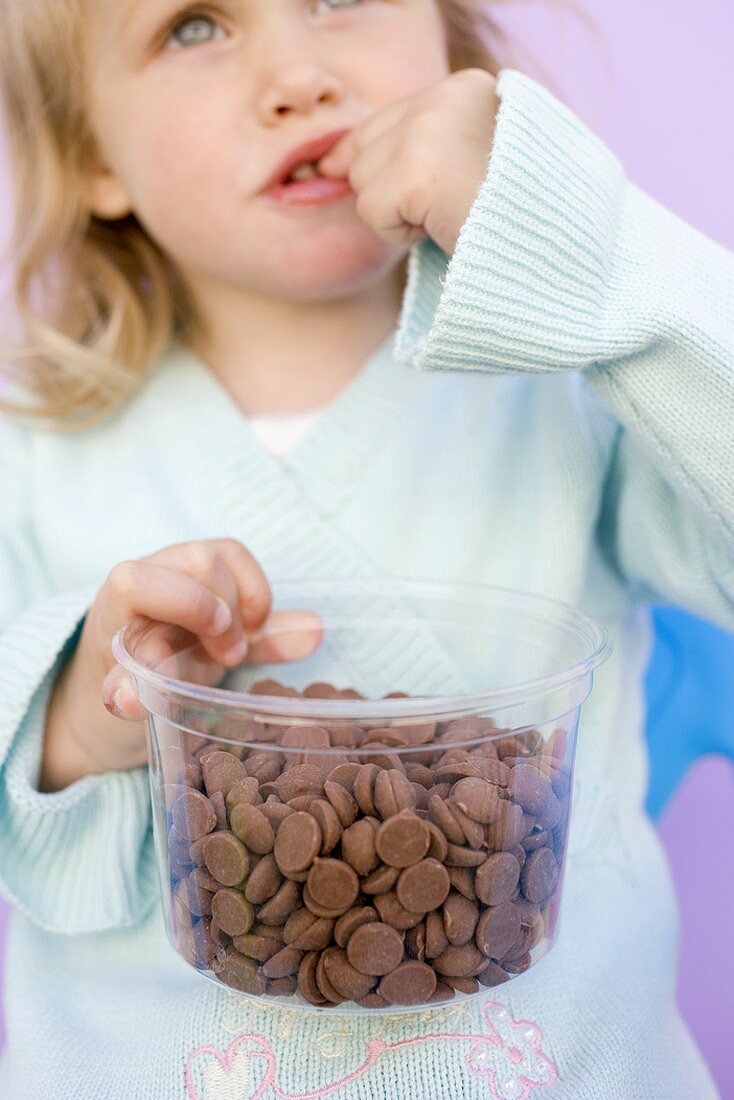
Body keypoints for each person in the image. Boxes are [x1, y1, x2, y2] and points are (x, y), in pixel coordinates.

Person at [0, 0, 731, 1097]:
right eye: (192, 26)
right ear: (92, 154)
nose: (297, 72)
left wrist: (583, 252)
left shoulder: (582, 389)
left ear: (454, 59)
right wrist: (80, 717)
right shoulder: (32, 451)